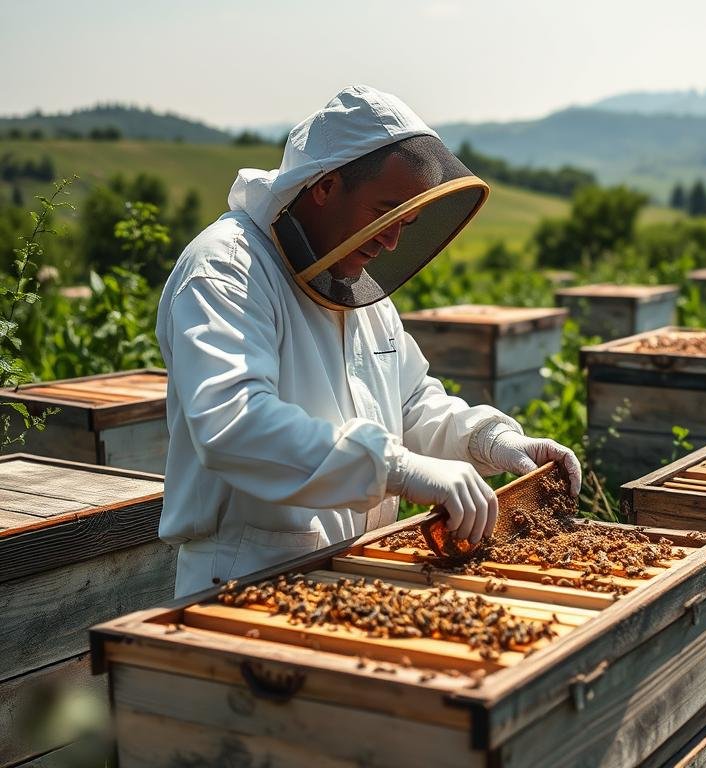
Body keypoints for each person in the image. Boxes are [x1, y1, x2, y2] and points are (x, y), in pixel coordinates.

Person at [157, 85, 582, 597]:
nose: (391, 240)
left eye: (405, 223)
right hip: (241, 581)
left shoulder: (356, 284)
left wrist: (495, 442)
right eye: (383, 213)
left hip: (353, 573)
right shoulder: (226, 269)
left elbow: (411, 403)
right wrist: (399, 469)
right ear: (324, 186)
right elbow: (235, 422)